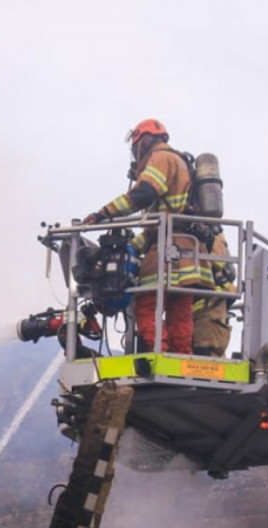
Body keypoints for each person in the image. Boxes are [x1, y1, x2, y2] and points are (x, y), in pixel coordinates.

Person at [83, 119, 211, 354]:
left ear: (142, 142)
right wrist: (132, 247)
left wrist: (103, 213)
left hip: (167, 250)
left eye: (135, 147)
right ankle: (181, 358)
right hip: (187, 252)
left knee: (146, 305)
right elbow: (154, 227)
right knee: (179, 310)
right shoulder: (178, 161)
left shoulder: (160, 158)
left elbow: (143, 194)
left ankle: (157, 354)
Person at [192, 230, 235, 357]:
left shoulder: (210, 233)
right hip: (207, 307)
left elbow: (222, 266)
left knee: (207, 351)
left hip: (209, 308)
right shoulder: (213, 233)